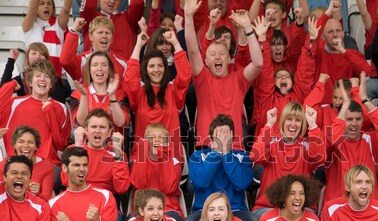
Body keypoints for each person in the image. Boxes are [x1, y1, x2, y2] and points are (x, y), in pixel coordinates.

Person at [184, 0, 263, 149]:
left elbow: (258, 63)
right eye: (213, 54)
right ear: (206, 61)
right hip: (206, 147)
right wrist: (188, 16)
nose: (218, 57)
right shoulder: (202, 79)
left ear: (228, 59)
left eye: (222, 54)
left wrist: (247, 28)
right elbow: (193, 51)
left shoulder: (239, 79)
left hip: (235, 148)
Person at [183, 114, 257, 221]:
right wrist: (216, 154)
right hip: (204, 211)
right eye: (219, 137)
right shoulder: (197, 156)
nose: (223, 140)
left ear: (233, 138)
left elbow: (242, 184)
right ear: (211, 139)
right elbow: (200, 183)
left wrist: (228, 155)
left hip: (235, 210)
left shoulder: (242, 156)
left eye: (226, 136)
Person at [124, 30, 191, 162]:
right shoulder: (140, 92)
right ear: (145, 69)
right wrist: (138, 45)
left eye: (160, 66)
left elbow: (185, 74)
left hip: (170, 158)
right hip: (143, 158)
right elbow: (130, 79)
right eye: (152, 66)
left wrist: (176, 43)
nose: (156, 70)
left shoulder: (173, 90)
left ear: (166, 69)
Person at [324, 76, 378, 203]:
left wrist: (365, 99)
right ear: (342, 119)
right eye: (349, 119)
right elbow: (330, 141)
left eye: (358, 119)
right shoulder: (335, 140)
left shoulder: (370, 140)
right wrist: (344, 108)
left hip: (368, 206)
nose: (354, 124)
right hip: (338, 207)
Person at [250, 103, 325, 217]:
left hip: (299, 208)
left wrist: (313, 125)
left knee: (311, 219)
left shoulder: (306, 146)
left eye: (298, 120)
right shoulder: (272, 142)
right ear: (283, 122)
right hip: (268, 207)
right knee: (255, 220)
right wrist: (269, 124)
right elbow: (256, 156)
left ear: (302, 124)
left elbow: (320, 157)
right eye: (289, 119)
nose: (293, 124)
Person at [0, 59, 71, 168]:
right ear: (30, 82)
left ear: (51, 84)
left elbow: (61, 145)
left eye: (47, 76)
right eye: (38, 76)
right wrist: (10, 86)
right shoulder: (15, 103)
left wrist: (50, 113)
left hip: (47, 165)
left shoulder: (60, 107)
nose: (42, 79)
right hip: (16, 165)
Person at [130, 123, 184, 221]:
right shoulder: (140, 160)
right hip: (142, 210)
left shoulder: (174, 161)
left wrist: (162, 155)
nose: (157, 140)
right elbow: (139, 184)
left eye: (161, 138)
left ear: (167, 143)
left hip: (168, 209)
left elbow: (168, 188)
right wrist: (142, 151)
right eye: (152, 137)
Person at [70, 51, 130, 131]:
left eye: (104, 65)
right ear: (89, 70)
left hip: (113, 143)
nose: (99, 69)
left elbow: (121, 123)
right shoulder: (77, 94)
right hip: (87, 143)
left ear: (109, 70)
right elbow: (81, 122)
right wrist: (84, 97)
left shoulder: (120, 94)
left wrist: (112, 96)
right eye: (95, 65)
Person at [60, 16, 127, 85]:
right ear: (91, 36)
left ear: (112, 38)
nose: (104, 36)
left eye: (107, 33)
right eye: (100, 32)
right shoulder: (82, 61)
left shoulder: (123, 64)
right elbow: (65, 61)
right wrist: (74, 30)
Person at [0, 126, 54, 201]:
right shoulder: (4, 164)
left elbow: (47, 201)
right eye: (21, 141)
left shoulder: (46, 166)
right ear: (14, 145)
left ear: (36, 146)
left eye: (30, 142)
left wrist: (38, 193)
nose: (25, 145)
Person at [0, 43, 66, 104]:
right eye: (34, 53)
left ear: (46, 58)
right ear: (27, 57)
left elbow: (59, 102)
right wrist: (11, 60)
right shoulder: (22, 78)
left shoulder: (53, 78)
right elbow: (3, 88)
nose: (38, 56)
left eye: (42, 54)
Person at [22, 0, 73, 79]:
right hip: (34, 77)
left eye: (49, 3)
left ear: (53, 9)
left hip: (57, 78)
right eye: (41, 3)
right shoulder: (28, 25)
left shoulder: (58, 24)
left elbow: (66, 9)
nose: (46, 6)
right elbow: (31, 11)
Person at [79, 0, 144, 60]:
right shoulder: (91, 18)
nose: (112, 1)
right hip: (94, 70)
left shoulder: (128, 19)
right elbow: (88, 6)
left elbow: (138, 3)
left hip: (125, 70)